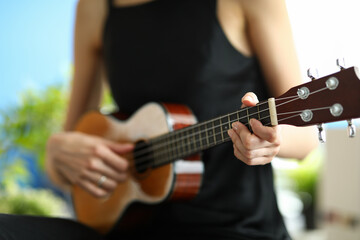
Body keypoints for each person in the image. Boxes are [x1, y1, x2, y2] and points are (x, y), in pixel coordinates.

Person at [0, 0, 318, 239]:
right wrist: (56, 152)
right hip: (126, 225)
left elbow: (305, 137)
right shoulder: (95, 6)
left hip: (235, 228)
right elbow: (65, 163)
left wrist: (273, 141)